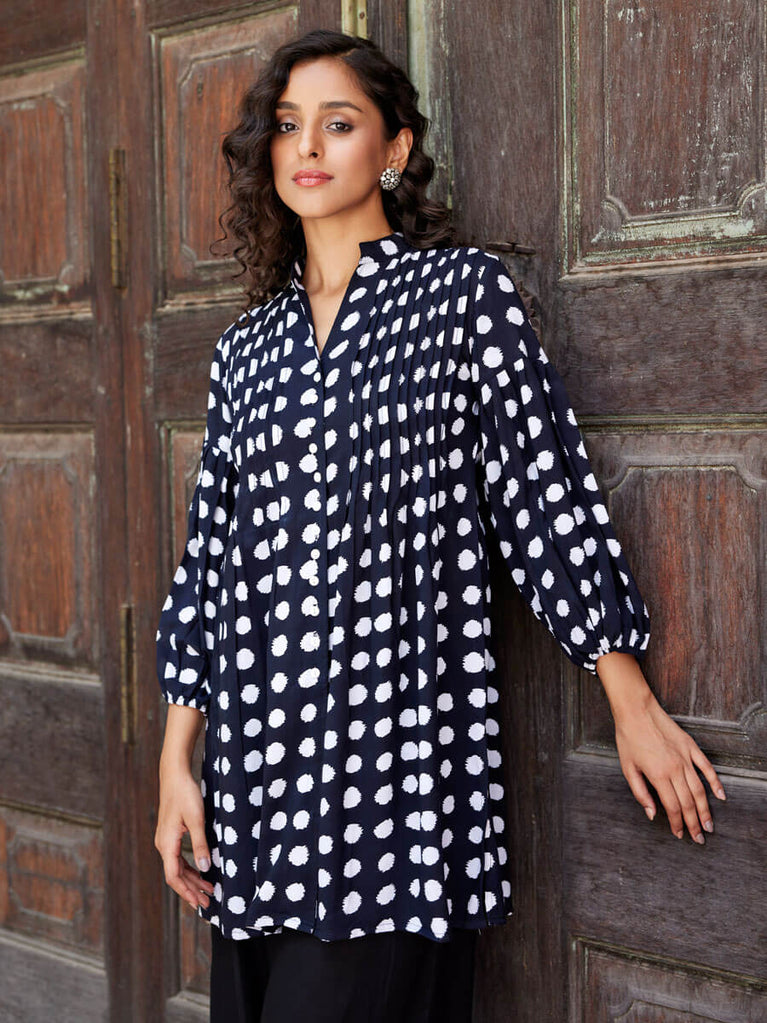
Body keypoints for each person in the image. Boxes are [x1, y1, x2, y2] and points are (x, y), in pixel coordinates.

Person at [153, 27, 726, 1023]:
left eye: (339, 123)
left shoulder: (461, 299)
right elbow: (211, 565)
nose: (307, 146)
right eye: (287, 125)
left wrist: (626, 695)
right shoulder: (245, 350)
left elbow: (544, 498)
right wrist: (175, 763)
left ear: (395, 148)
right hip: (256, 787)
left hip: (395, 790)